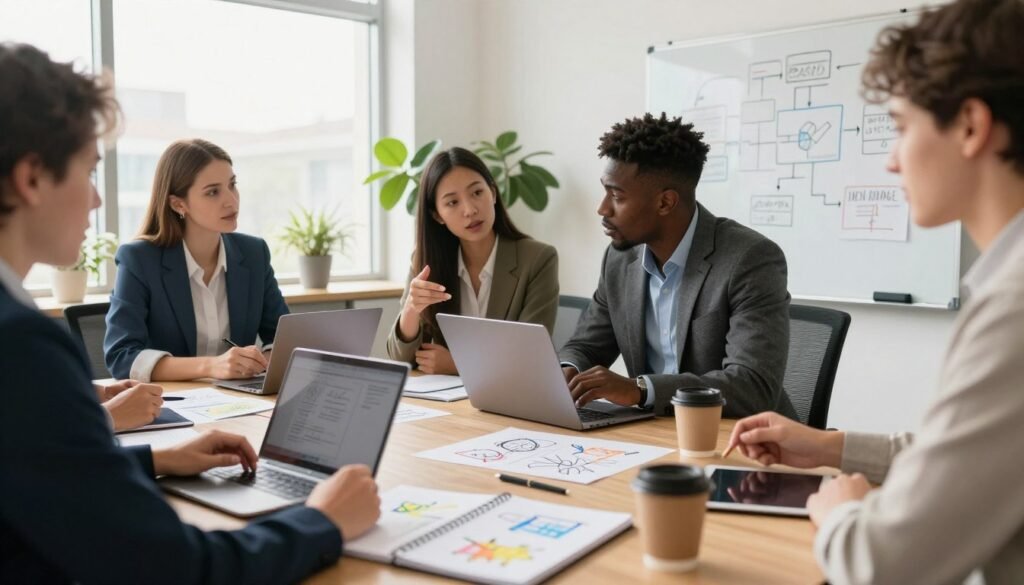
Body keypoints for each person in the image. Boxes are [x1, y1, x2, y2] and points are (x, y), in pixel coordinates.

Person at [0, 42, 380, 584]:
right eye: (88, 172)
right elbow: (174, 567)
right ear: (32, 177)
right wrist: (322, 521)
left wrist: (160, 459)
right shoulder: (22, 344)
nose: (96, 201)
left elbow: (35, 474)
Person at [724, 1, 1024, 582]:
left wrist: (842, 511)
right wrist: (831, 448)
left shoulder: (1014, 307)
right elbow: (968, 456)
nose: (890, 160)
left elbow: (881, 565)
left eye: (901, 127)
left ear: (969, 125)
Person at [559, 113, 796, 419]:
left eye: (616, 195)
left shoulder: (750, 259)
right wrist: (569, 369)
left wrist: (641, 390)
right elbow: (586, 346)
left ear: (665, 203)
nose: (602, 208)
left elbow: (752, 386)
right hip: (655, 435)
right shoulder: (620, 259)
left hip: (743, 443)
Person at [104, 138, 289, 382]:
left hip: (240, 401)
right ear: (178, 204)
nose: (231, 200)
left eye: (232, 185)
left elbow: (282, 337)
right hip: (169, 403)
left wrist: (267, 357)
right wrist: (211, 366)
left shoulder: (254, 253)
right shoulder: (139, 259)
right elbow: (122, 356)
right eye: (213, 192)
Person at [386, 147, 559, 374]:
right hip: (448, 404)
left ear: (493, 194)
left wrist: (459, 365)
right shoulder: (426, 261)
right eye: (452, 203)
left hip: (510, 404)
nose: (470, 210)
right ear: (437, 215)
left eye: (477, 192)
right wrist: (410, 309)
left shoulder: (537, 259)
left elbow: (529, 357)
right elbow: (402, 358)